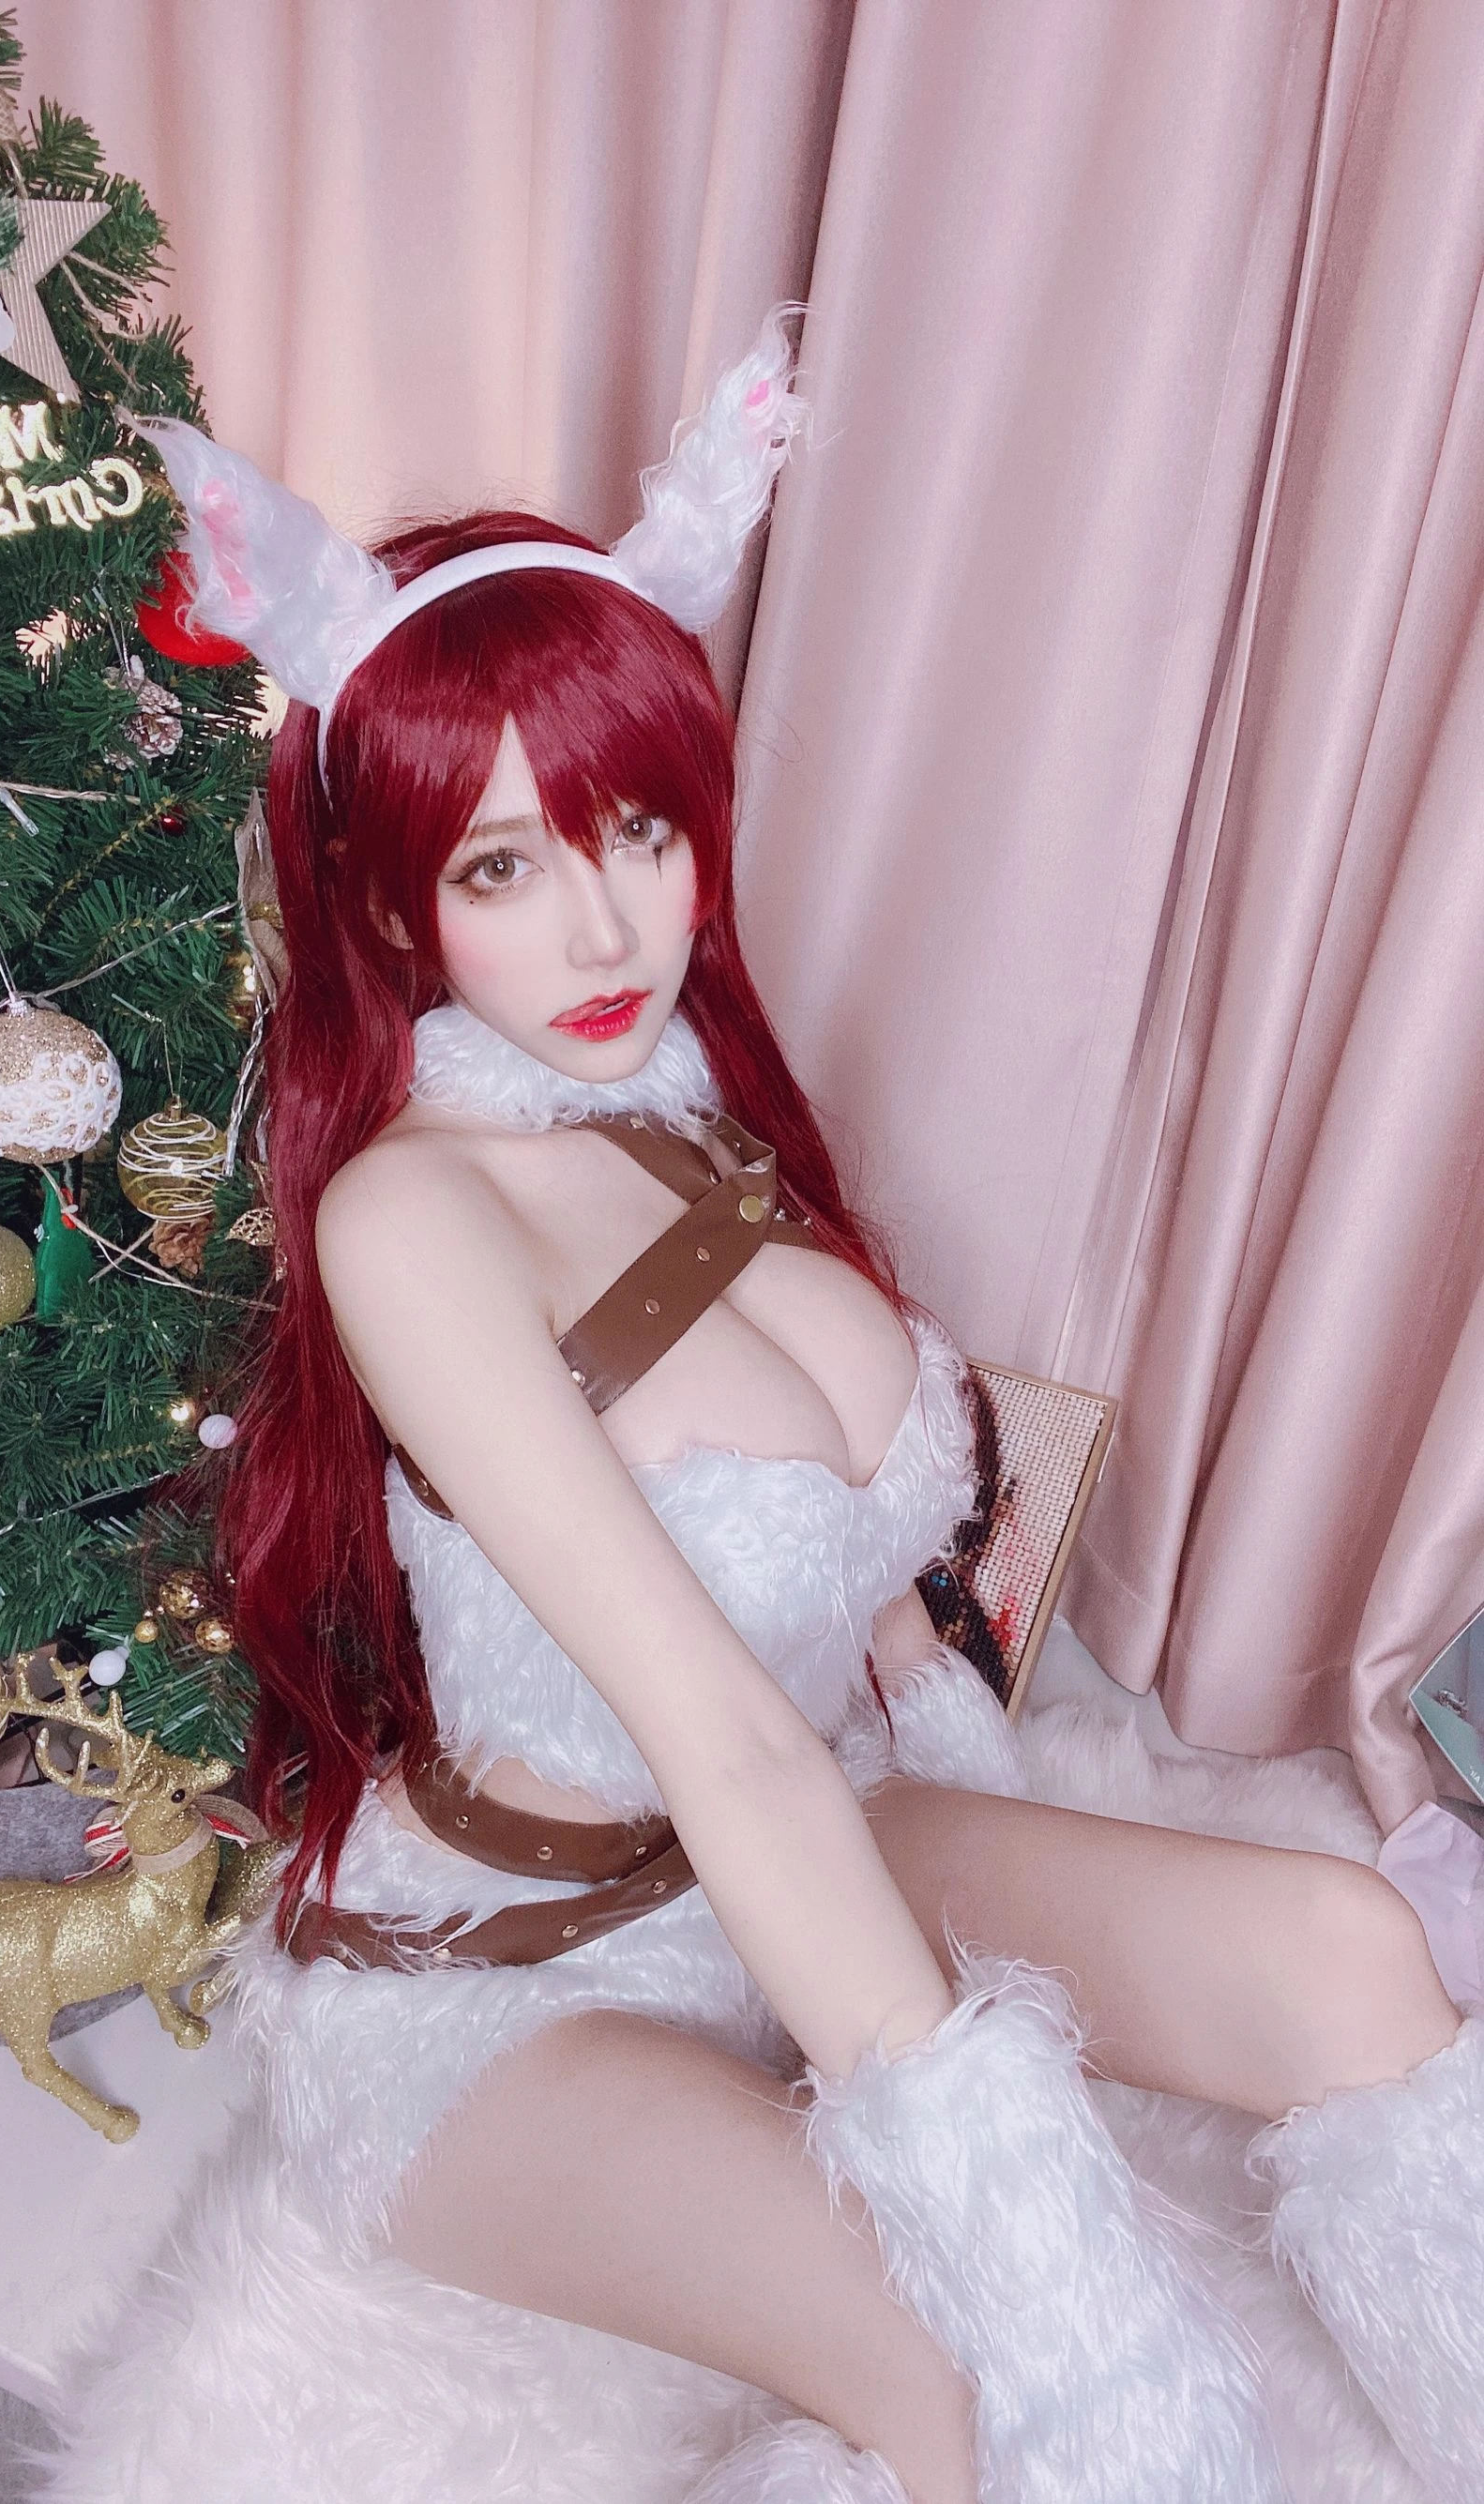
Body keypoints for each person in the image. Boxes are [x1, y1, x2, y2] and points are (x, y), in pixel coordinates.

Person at [134, 323, 1481, 2504]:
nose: (605, 925)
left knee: (1352, 1949)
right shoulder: (412, 1214)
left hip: (822, 1822)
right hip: (524, 1968)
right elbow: (716, 1733)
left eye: (635, 827)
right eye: (500, 866)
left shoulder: (679, 1105)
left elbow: (850, 1606)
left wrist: (956, 1753)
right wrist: (1026, 2222)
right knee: (982, 2365)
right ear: (388, 897)